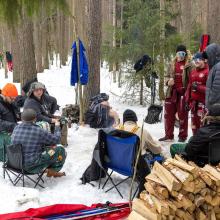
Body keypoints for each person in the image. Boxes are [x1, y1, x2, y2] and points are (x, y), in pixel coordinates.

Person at [11, 108, 66, 177]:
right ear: (35, 119)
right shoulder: (38, 131)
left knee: (43, 148)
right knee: (60, 149)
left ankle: (48, 169)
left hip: (15, 163)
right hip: (31, 166)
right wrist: (57, 126)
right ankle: (53, 170)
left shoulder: (16, 128)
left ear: (22, 119)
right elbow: (56, 140)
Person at [159, 45, 191, 142]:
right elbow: (166, 77)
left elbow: (191, 79)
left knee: (182, 115)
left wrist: (187, 91)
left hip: (182, 94)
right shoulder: (171, 64)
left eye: (182, 53)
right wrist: (168, 81)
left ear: (185, 54)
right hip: (171, 93)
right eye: (178, 53)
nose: (180, 55)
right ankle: (168, 135)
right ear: (176, 54)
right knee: (168, 115)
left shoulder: (189, 65)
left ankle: (182, 136)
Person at [185, 52, 209, 135]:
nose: (196, 61)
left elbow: (210, 89)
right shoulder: (193, 72)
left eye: (199, 59)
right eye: (195, 59)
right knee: (194, 126)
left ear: (204, 60)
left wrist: (198, 87)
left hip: (203, 104)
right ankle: (195, 144)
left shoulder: (207, 71)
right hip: (193, 103)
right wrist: (187, 100)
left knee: (202, 126)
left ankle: (202, 145)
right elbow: (189, 87)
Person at [0, 83, 19, 161]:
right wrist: (13, 126)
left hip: (12, 130)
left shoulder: (9, 102)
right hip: (2, 135)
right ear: (5, 94)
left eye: (14, 98)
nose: (13, 100)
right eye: (12, 98)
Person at [205, 43, 220, 110]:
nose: (206, 60)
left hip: (216, 108)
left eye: (207, 56)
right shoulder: (215, 67)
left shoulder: (218, 67)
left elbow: (217, 89)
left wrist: (210, 104)